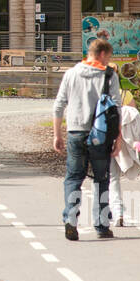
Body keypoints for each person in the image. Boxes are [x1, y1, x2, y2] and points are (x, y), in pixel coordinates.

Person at [52, 38, 123, 240]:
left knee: (74, 177)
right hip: (100, 135)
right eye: (108, 57)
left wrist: (57, 134)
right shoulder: (109, 76)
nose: (108, 61)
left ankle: (71, 220)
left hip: (75, 132)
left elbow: (58, 105)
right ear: (101, 54)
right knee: (101, 179)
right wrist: (118, 138)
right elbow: (116, 109)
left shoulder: (71, 74)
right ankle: (101, 225)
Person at [108, 90, 140, 226]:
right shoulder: (125, 94)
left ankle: (115, 210)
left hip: (105, 138)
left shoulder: (98, 90)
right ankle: (117, 211)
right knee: (114, 178)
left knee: (110, 178)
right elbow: (135, 119)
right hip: (124, 141)